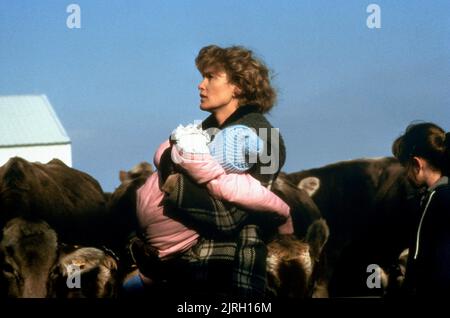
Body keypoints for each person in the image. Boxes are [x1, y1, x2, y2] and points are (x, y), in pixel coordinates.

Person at [134, 45, 289, 297]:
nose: (200, 85)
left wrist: (174, 182)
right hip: (177, 269)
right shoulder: (198, 133)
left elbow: (233, 215)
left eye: (210, 77)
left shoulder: (265, 138)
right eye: (202, 76)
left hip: (228, 270)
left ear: (238, 86)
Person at [392, 122, 450, 296]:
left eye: (405, 166)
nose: (405, 173)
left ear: (417, 164)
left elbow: (417, 259)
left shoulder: (434, 198)